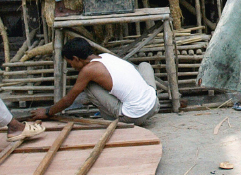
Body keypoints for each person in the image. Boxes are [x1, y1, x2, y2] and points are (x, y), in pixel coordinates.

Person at [31, 38, 160, 126]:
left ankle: (113, 119)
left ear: (76, 58)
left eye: (70, 63)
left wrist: (48, 112)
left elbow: (68, 100)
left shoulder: (88, 71)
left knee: (88, 86)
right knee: (144, 65)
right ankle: (144, 97)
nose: (71, 66)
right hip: (154, 105)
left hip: (135, 117)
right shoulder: (107, 57)